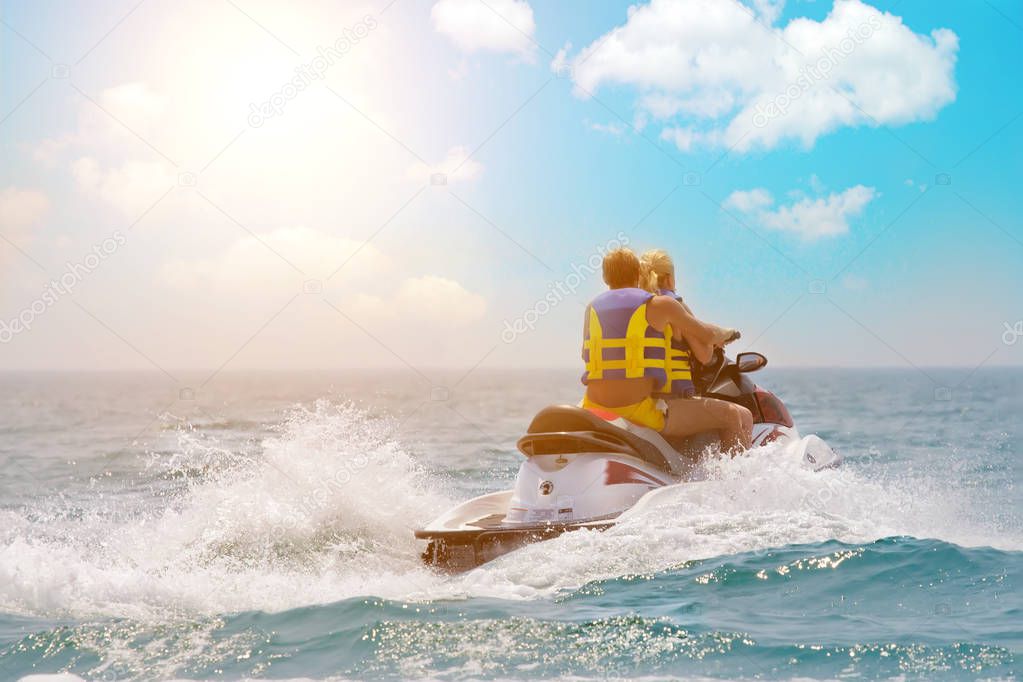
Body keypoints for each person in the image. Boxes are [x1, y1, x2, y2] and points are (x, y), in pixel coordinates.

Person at [581, 248, 751, 453]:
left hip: (592, 404)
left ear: (605, 277)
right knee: (732, 415)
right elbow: (707, 336)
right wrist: (728, 333)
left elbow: (586, 354)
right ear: (637, 273)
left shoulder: (591, 308)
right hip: (639, 410)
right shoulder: (659, 305)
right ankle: (735, 483)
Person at [639, 248, 753, 451]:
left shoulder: (638, 307)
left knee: (740, 414)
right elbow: (704, 355)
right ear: (670, 278)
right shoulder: (673, 304)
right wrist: (714, 343)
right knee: (738, 415)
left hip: (641, 400)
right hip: (668, 402)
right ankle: (734, 481)